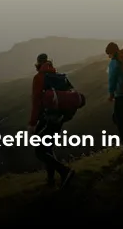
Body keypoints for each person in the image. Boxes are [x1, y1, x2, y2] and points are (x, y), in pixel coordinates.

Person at [28, 53, 75, 188]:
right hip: (59, 118)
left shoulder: (39, 78)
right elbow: (71, 93)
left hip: (46, 119)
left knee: (40, 151)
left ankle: (65, 171)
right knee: (48, 147)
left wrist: (32, 123)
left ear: (38, 64)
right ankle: (50, 180)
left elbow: (36, 102)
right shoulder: (59, 76)